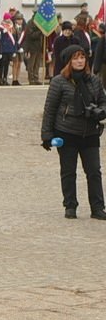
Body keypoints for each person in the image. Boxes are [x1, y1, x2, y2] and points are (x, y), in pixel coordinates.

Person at [41, 44, 106, 220]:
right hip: (66, 132)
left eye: (82, 57)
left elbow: (103, 101)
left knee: (94, 171)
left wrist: (99, 111)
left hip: (90, 133)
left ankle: (98, 207)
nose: (79, 61)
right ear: (69, 61)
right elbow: (50, 109)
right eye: (76, 58)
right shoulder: (59, 82)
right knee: (68, 172)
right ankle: (70, 205)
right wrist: (47, 135)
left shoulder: (94, 80)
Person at [24, 13, 45, 85]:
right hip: (32, 47)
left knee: (37, 64)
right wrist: (40, 32)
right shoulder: (30, 23)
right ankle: (31, 79)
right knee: (31, 64)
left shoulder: (39, 23)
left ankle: (36, 78)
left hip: (39, 47)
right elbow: (31, 35)